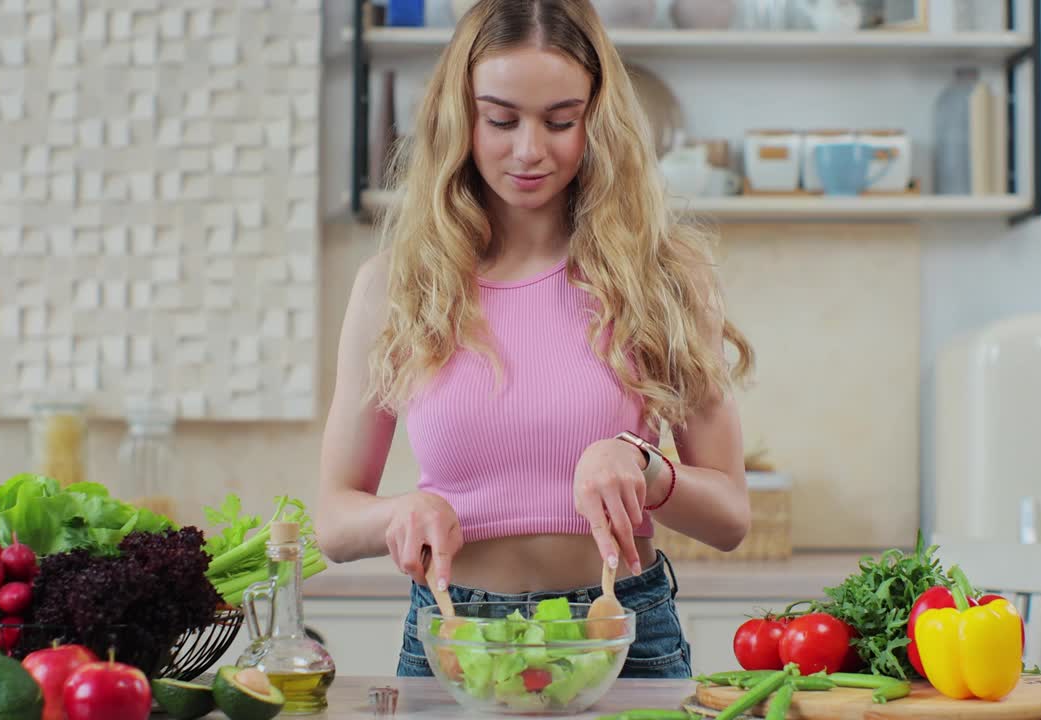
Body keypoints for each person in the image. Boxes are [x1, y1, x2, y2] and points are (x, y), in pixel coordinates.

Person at [317, 0, 754, 679]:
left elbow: (729, 517)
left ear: (597, 120)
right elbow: (335, 521)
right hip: (455, 639)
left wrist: (646, 466)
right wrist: (402, 511)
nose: (529, 150)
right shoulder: (397, 286)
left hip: (620, 634)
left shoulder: (662, 276)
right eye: (500, 119)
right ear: (460, 116)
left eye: (559, 121)